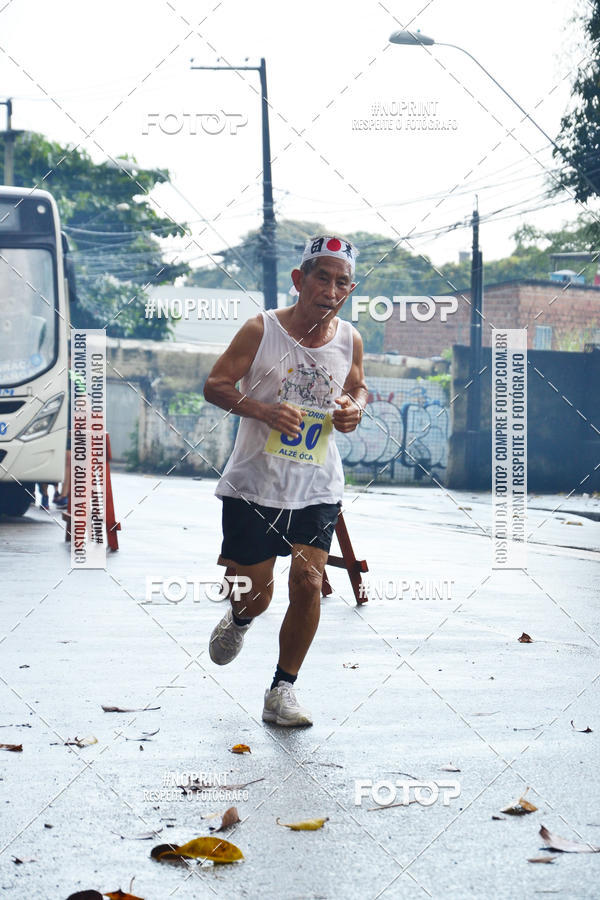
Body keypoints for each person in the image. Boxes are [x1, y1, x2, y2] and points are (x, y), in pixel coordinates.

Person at [203, 235, 368, 726]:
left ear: (349, 289)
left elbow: (358, 384)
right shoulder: (262, 330)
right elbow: (215, 385)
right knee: (257, 592)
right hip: (255, 482)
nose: (331, 289)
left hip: (317, 485)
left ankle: (283, 689)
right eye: (322, 277)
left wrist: (354, 408)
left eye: (342, 282)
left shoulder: (350, 339)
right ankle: (240, 618)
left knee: (308, 582)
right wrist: (264, 411)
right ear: (300, 280)